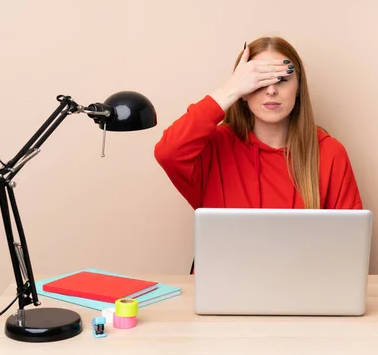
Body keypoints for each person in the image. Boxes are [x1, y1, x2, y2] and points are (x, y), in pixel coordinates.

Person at [154, 37, 363, 272]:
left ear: (298, 89)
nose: (271, 90)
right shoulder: (213, 148)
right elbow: (167, 152)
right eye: (259, 81)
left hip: (301, 295)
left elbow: (350, 249)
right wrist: (228, 91)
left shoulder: (329, 153)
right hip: (223, 293)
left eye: (282, 80)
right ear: (243, 91)